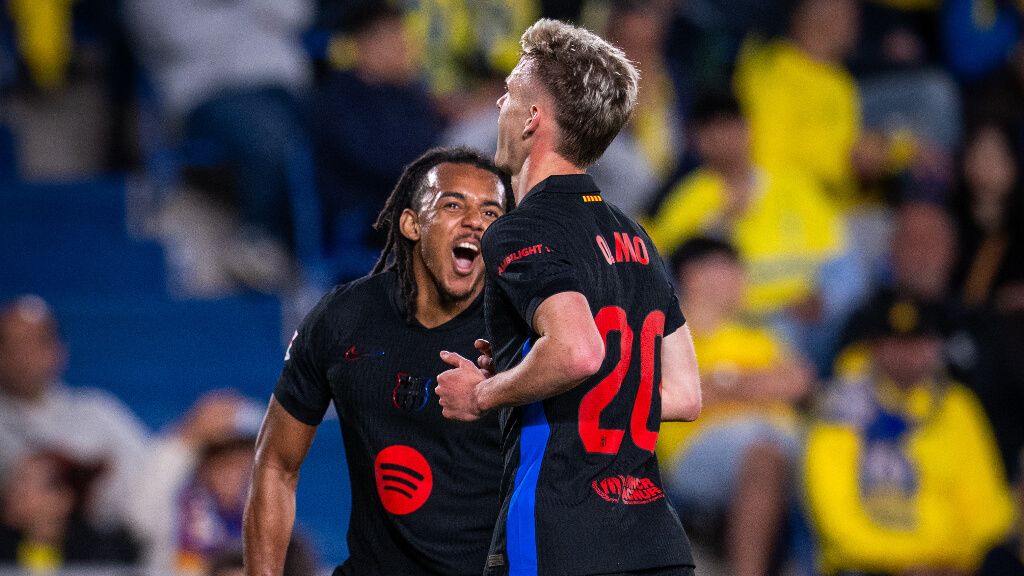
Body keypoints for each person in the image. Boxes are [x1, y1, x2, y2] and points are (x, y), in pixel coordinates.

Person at [434, 19, 702, 576]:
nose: (501, 107)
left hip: (564, 529)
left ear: (534, 118)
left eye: (508, 93)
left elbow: (579, 352)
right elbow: (682, 393)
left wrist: (485, 393)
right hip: (654, 539)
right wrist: (524, 370)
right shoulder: (637, 237)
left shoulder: (517, 229)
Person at [243, 147, 515, 575]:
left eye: (491, 213)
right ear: (410, 223)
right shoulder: (342, 319)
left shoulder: (520, 332)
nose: (475, 222)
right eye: (452, 204)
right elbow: (275, 464)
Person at [804, 292, 1015, 575]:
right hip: (869, 565)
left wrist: (952, 563)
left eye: (918, 342)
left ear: (936, 345)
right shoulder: (841, 406)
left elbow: (988, 514)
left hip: (955, 565)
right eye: (896, 343)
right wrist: (910, 564)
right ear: (875, 346)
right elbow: (837, 526)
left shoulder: (957, 406)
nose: (908, 355)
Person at [658, 238, 813, 576]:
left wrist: (726, 383)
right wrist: (758, 384)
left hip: (782, 440)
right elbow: (682, 394)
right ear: (694, 275)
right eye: (730, 268)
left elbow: (799, 382)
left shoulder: (760, 335)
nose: (742, 278)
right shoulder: (666, 333)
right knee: (764, 454)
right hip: (696, 452)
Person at [0, 295, 149, 529]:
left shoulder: (96, 410)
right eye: (11, 344)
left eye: (35, 342)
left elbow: (149, 479)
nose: (23, 356)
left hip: (94, 552)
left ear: (59, 351)